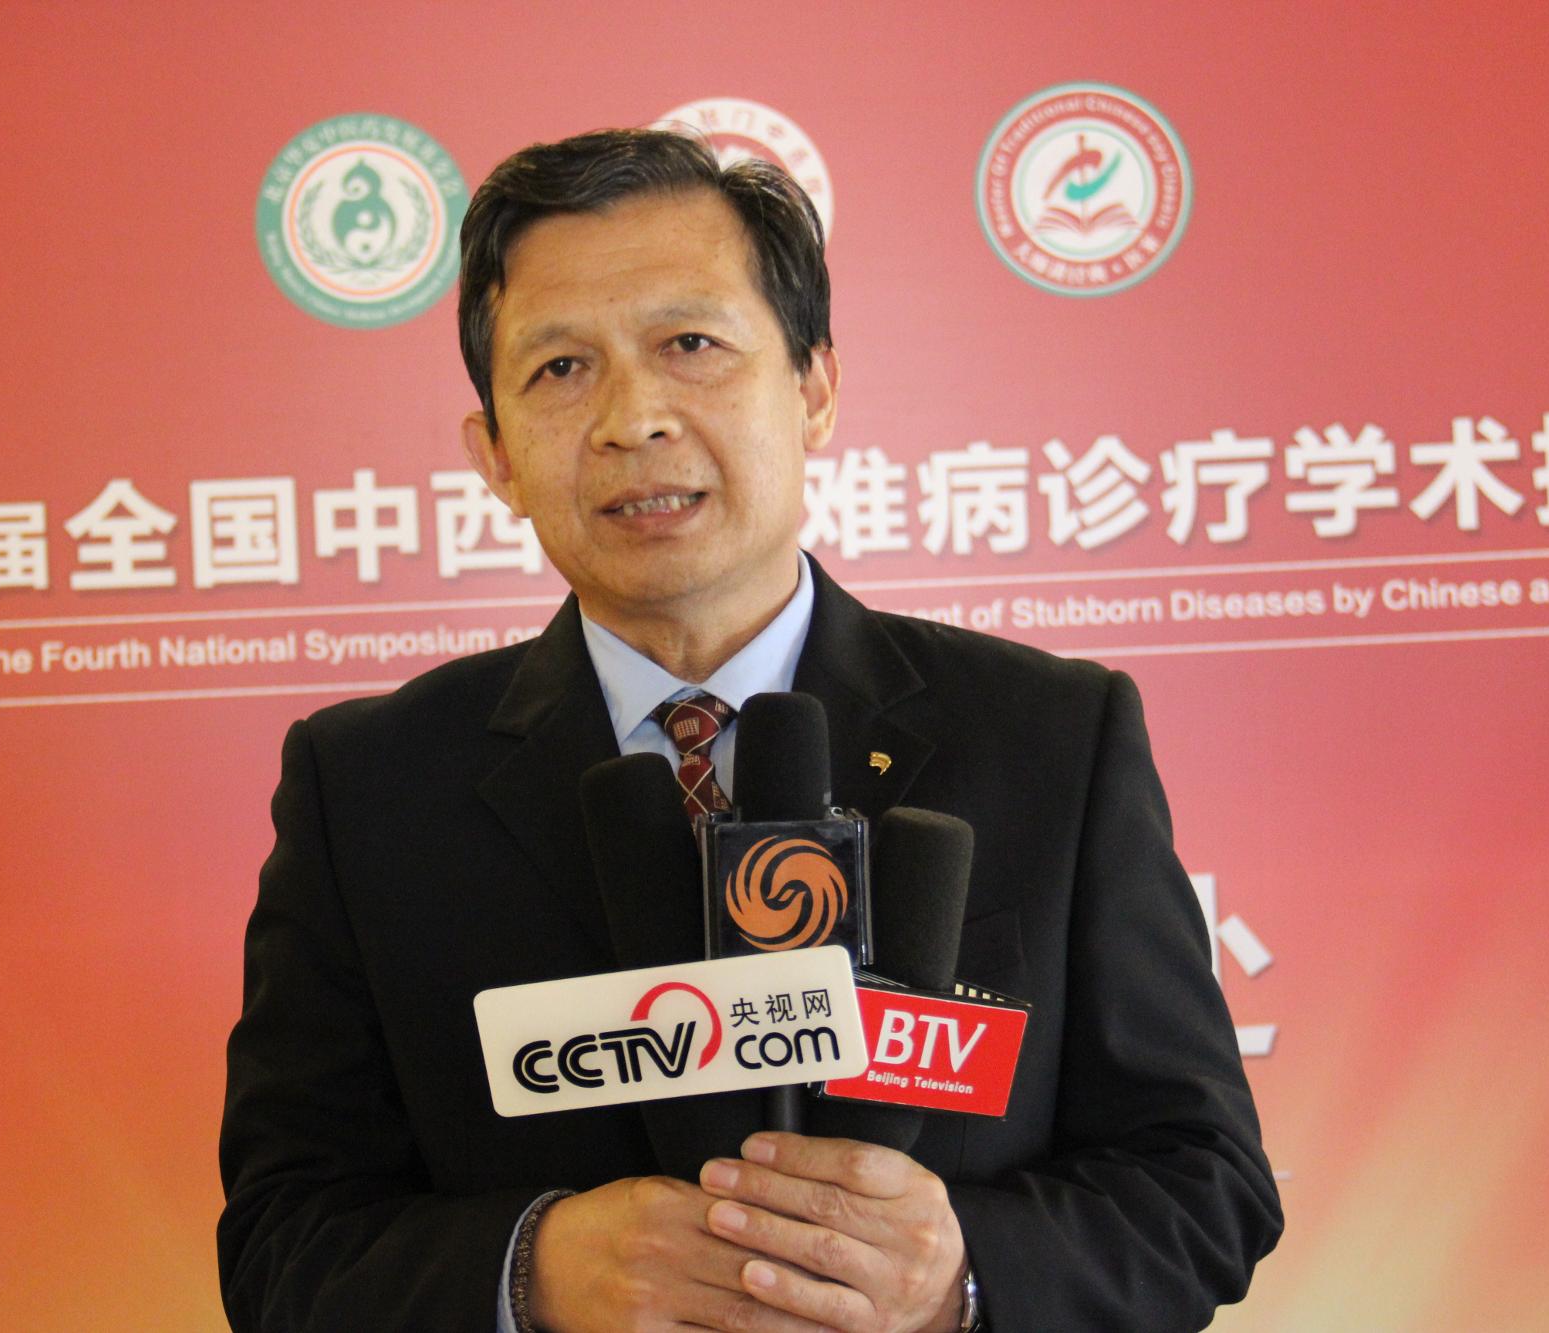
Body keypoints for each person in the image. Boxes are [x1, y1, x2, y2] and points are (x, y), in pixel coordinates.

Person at [219, 128, 1282, 1332]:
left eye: (690, 345)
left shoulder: (1049, 737)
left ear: (813, 388)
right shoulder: (367, 787)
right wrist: (529, 1269)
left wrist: (960, 1274)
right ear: (495, 456)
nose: (631, 419)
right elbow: (281, 1240)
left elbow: (1202, 1185)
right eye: (560, 367)